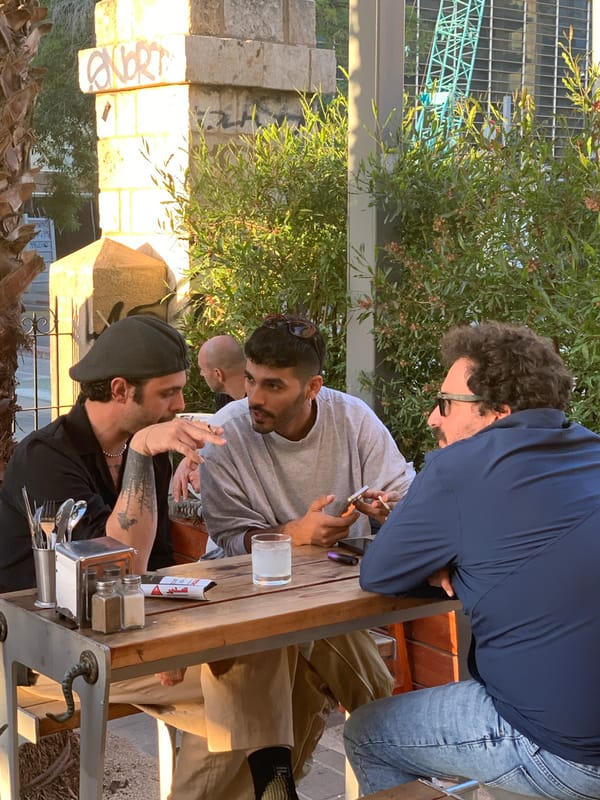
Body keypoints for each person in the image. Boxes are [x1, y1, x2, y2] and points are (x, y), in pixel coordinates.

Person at [0, 315, 313, 800]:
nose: (181, 405)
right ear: (121, 390)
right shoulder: (45, 457)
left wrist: (173, 638)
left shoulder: (147, 449)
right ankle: (274, 786)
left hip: (125, 635)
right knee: (256, 686)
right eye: (169, 393)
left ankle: (272, 787)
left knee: (269, 658)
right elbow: (117, 564)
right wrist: (142, 458)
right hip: (43, 652)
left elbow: (155, 570)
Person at [344, 321, 600, 800]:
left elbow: (379, 573)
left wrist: (449, 562)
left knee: (368, 733)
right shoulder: (590, 450)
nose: (432, 418)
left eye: (445, 403)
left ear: (497, 413)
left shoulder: (460, 466)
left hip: (571, 751)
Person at [174, 312, 416, 799]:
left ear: (313, 388)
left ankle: (281, 785)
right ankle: (396, 767)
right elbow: (230, 535)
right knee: (331, 668)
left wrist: (385, 509)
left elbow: (405, 499)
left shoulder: (352, 418)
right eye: (250, 380)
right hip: (240, 596)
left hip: (325, 593)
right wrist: (292, 534)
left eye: (273, 386)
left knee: (306, 664)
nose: (255, 397)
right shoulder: (227, 431)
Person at [198, 334, 246, 410]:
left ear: (218, 374)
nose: (201, 374)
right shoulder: (223, 397)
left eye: (203, 370)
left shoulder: (258, 399)